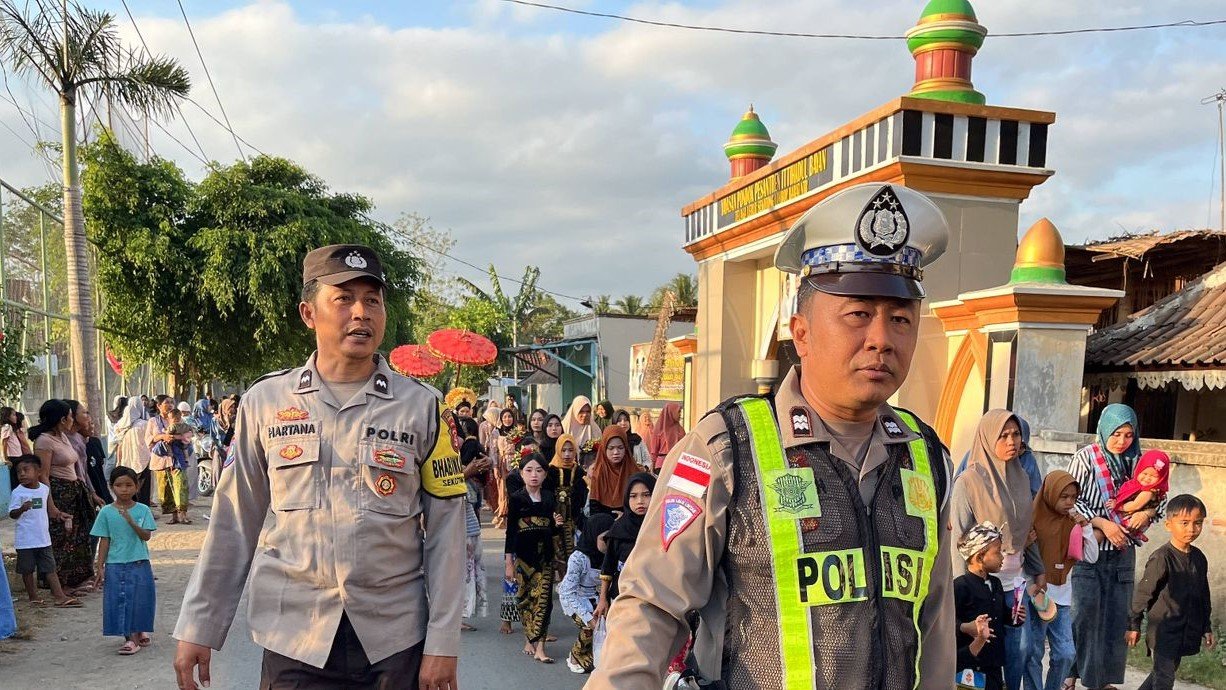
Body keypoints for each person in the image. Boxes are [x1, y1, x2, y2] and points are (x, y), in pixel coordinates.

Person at [587, 183, 955, 690]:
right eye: (858, 315)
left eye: (900, 319)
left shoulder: (926, 457)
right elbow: (653, 604)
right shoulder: (726, 448)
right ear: (800, 331)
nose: (881, 339)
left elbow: (932, 629)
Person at [172, 244, 467, 690]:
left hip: (394, 639)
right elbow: (234, 520)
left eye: (372, 300)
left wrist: (444, 642)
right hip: (295, 636)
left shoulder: (422, 407)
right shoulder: (266, 403)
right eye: (343, 299)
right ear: (309, 313)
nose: (361, 313)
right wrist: (199, 624)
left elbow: (447, 530)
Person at [950, 409, 1042, 690]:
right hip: (982, 581)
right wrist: (962, 587)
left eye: (1016, 434)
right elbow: (960, 538)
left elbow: (1027, 530)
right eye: (1003, 435)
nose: (1012, 441)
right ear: (988, 438)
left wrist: (1038, 570)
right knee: (984, 652)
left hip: (1016, 580)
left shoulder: (1022, 478)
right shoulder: (969, 482)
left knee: (1020, 648)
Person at [1066, 404, 1156, 690]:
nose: (1122, 441)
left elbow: (1159, 495)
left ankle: (1103, 681)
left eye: (1129, 435)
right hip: (1090, 552)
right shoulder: (1086, 459)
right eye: (1116, 434)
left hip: (1122, 555)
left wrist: (1148, 513)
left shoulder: (1139, 462)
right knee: (1082, 616)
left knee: (1115, 617)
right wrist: (1104, 524)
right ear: (1104, 430)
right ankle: (1071, 671)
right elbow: (1071, 501)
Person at [1126, 494, 1214, 690]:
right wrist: (1134, 624)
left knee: (1162, 674)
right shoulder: (1162, 558)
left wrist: (1206, 627)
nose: (1191, 529)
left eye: (1197, 523)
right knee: (1164, 680)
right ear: (1168, 525)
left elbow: (1203, 596)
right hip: (1163, 631)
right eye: (1184, 523)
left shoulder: (1199, 559)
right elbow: (1143, 593)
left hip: (1184, 630)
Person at [1023, 471, 1098, 690]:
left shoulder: (1073, 523)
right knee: (1033, 654)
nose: (1069, 502)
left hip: (1061, 598)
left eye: (1073, 497)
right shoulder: (1032, 520)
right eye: (1063, 496)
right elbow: (1017, 558)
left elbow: (1092, 556)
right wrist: (1025, 542)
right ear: (1049, 493)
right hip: (1036, 596)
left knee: (1066, 653)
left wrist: (1085, 527)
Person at [30, 399, 96, 594]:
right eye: (69, 416)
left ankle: (73, 581)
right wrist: (51, 506)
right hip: (58, 493)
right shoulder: (44, 441)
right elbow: (43, 475)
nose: (72, 419)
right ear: (62, 419)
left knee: (76, 537)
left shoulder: (64, 436)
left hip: (73, 491)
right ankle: (60, 585)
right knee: (61, 539)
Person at [90, 466, 157, 655]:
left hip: (139, 562)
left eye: (129, 485)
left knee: (140, 599)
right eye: (119, 485)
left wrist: (131, 521)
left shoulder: (143, 510)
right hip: (115, 563)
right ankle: (130, 639)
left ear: (137, 486)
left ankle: (140, 629)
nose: (124, 489)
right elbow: (104, 540)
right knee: (120, 600)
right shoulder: (106, 512)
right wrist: (100, 566)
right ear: (112, 487)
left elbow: (146, 536)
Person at [504, 452, 562, 664]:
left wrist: (556, 525)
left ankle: (541, 648)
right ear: (521, 473)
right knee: (526, 599)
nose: (534, 475)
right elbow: (510, 532)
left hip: (545, 557)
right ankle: (530, 638)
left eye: (539, 470)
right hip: (523, 559)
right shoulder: (517, 499)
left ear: (545, 474)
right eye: (529, 470)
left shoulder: (549, 497)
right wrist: (508, 562)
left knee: (544, 601)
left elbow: (554, 530)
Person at [7, 455, 81, 607]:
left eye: (26, 470)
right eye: (18, 471)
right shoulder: (18, 493)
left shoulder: (44, 490)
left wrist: (60, 515)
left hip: (43, 538)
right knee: (27, 570)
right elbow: (12, 514)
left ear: (38, 471)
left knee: (50, 567)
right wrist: (21, 509)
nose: (21, 474)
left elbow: (49, 510)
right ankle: (33, 597)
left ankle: (60, 596)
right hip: (25, 540)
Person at [954, 522, 1020, 690]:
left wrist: (1015, 617)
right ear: (980, 557)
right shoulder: (961, 586)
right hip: (971, 664)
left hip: (994, 663)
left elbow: (1002, 617)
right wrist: (965, 627)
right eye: (997, 552)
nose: (1002, 556)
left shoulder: (996, 583)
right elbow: (948, 623)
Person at [560, 511, 616, 674]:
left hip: (598, 598)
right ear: (593, 535)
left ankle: (597, 657)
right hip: (576, 598)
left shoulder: (611, 555)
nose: (608, 543)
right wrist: (587, 616)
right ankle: (576, 656)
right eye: (604, 539)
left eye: (611, 538)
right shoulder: (579, 558)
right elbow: (567, 592)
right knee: (592, 625)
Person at [594, 472, 655, 619]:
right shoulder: (619, 529)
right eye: (633, 496)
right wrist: (602, 599)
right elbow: (608, 567)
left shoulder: (662, 526)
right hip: (623, 596)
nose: (640, 501)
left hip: (655, 599)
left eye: (646, 495)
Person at [546, 433, 588, 577]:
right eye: (563, 450)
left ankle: (570, 581)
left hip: (574, 519)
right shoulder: (550, 471)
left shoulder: (579, 472)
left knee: (573, 551)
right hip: (556, 518)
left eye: (570, 450)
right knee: (556, 550)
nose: (567, 454)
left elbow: (583, 495)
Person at [459, 439, 490, 633]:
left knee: (470, 575)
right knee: (463, 576)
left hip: (471, 530)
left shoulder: (472, 479)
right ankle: (458, 617)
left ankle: (462, 615)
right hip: (460, 531)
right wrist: (465, 474)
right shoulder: (461, 474)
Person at [1108, 449, 1170, 544]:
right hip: (1129, 516)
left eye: (1153, 476)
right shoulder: (1135, 485)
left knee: (1126, 527)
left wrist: (1117, 506)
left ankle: (1136, 535)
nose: (1147, 478)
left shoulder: (1149, 492)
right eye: (1144, 473)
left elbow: (1135, 505)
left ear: (1161, 479)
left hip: (1131, 517)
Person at [151, 405, 192, 525]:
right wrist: (166, 437)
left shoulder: (180, 427)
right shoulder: (153, 422)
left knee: (181, 488)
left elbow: (189, 440)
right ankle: (174, 516)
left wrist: (175, 437)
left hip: (178, 462)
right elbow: (152, 441)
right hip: (164, 463)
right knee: (168, 490)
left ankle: (183, 515)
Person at [586, 426, 637, 516]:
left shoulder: (634, 472)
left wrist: (625, 518)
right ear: (604, 449)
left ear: (626, 448)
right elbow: (594, 510)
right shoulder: (598, 474)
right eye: (611, 448)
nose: (616, 452)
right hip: (604, 525)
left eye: (620, 447)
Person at [146, 396, 181, 519]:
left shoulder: (178, 420)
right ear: (159, 406)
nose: (170, 405)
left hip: (177, 458)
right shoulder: (153, 421)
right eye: (167, 402)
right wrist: (162, 436)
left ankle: (179, 514)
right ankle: (172, 513)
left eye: (172, 402)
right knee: (165, 488)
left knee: (179, 485)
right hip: (160, 459)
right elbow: (149, 439)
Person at [113, 398, 152, 506]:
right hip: (142, 460)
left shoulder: (121, 425)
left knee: (129, 486)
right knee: (142, 488)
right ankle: (142, 510)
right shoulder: (143, 424)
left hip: (126, 461)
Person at [80, 414, 114, 505]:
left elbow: (100, 465)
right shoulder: (77, 446)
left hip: (101, 486)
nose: (91, 427)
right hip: (89, 489)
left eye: (92, 423)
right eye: (88, 424)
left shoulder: (95, 442)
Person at [562, 396, 602, 467]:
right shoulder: (563, 428)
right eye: (581, 411)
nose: (585, 414)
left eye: (588, 411)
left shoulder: (595, 430)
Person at [646, 402, 683, 471]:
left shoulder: (680, 430)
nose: (680, 415)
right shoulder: (659, 430)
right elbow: (654, 450)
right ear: (671, 412)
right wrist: (652, 465)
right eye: (678, 412)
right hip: (662, 466)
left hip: (677, 464)